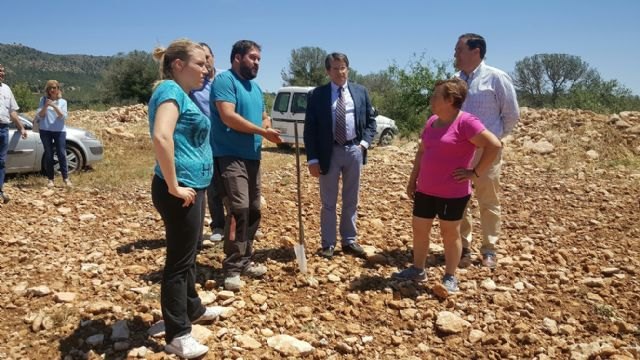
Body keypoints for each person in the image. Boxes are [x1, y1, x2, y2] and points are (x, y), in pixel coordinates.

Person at [149, 39, 228, 359]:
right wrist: (173, 185)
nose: (206, 69)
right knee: (179, 263)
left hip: (193, 186)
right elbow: (161, 135)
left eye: (206, 63)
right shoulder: (169, 90)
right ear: (178, 65)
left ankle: (192, 308)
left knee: (191, 253)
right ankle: (177, 334)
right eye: (199, 63)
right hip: (180, 190)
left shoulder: (183, 94)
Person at [393, 78, 502, 292]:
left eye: (435, 95)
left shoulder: (466, 122)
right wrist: (412, 178)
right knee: (419, 229)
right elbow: (422, 151)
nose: (431, 99)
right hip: (426, 188)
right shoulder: (432, 121)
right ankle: (418, 269)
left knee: (450, 233)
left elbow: (494, 145)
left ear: (450, 99)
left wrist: (475, 172)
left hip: (452, 193)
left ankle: (450, 276)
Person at [210, 40, 282, 291]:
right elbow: (228, 116)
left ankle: (246, 260)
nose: (257, 63)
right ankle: (231, 267)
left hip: (253, 157)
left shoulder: (256, 87)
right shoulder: (225, 81)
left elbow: (263, 115)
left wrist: (267, 125)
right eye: (253, 57)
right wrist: (262, 133)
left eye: (259, 59)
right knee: (238, 209)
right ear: (237, 58)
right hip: (229, 155)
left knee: (253, 210)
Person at [454, 33, 520, 268]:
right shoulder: (455, 81)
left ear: (476, 52)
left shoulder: (496, 78)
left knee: (488, 199)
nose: (455, 54)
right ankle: (463, 246)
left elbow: (512, 115)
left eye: (459, 50)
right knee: (459, 199)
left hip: (487, 151)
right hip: (460, 151)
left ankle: (489, 249)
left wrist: (494, 140)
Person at [303, 52, 377, 259]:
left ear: (348, 69)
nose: (340, 72)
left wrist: (364, 144)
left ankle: (349, 240)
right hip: (329, 153)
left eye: (343, 67)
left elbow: (371, 122)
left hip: (354, 150)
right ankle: (328, 243)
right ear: (328, 71)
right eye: (335, 68)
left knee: (351, 199)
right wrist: (313, 159)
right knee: (328, 202)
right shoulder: (317, 95)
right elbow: (310, 129)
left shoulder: (360, 92)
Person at [188, 42, 227, 246]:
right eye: (200, 59)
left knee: (232, 185)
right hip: (205, 143)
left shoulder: (225, 78)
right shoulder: (194, 84)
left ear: (213, 57)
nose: (205, 63)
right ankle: (218, 226)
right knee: (212, 187)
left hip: (228, 140)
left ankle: (238, 225)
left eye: (207, 58)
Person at [35, 80, 71, 187]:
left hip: (59, 131)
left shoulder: (63, 102)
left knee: (61, 153)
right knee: (49, 154)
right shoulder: (43, 100)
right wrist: (46, 106)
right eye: (50, 88)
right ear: (47, 90)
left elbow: (62, 116)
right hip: (45, 130)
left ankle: (66, 178)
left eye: (54, 88)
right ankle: (50, 179)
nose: (52, 90)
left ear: (58, 89)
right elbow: (40, 115)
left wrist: (54, 106)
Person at [0, 63, 27, 203]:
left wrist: (21, 127)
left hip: (3, 128)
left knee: (1, 162)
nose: (2, 73)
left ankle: (0, 190)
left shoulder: (6, 89)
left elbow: (12, 112)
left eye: (3, 71)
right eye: (0, 71)